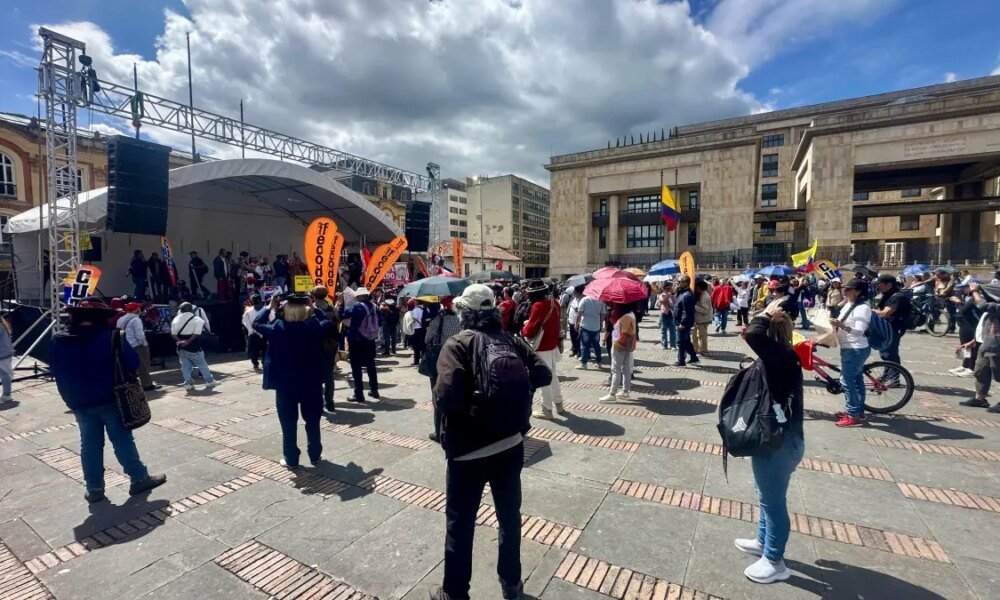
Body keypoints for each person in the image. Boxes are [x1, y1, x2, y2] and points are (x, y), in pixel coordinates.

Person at [430, 284, 551, 600]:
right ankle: (512, 585)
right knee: (509, 518)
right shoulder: (511, 340)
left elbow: (445, 395)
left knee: (461, 522)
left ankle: (454, 593)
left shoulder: (457, 344)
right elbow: (543, 375)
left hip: (468, 452)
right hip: (510, 444)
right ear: (494, 311)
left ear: (464, 313)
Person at [50, 301, 167, 503]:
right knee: (122, 440)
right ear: (102, 317)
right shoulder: (112, 337)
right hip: (112, 398)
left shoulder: (59, 341)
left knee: (89, 444)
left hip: (78, 402)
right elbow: (133, 363)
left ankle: (94, 488)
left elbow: (55, 370)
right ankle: (139, 478)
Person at [735, 299, 804, 584]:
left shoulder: (782, 358)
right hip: (775, 439)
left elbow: (751, 334)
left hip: (780, 443)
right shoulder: (780, 356)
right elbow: (751, 335)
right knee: (765, 495)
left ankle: (775, 561)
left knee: (773, 503)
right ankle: (763, 541)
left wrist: (763, 314)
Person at [253, 294, 333, 467]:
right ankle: (315, 455)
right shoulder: (313, 326)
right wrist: (314, 307)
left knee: (288, 424)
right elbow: (328, 321)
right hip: (311, 383)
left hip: (285, 384)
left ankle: (291, 458)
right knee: (313, 421)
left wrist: (270, 307)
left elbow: (256, 324)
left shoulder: (278, 327)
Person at [830, 279, 871, 427]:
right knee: (857, 380)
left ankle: (852, 415)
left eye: (848, 289)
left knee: (847, 381)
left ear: (858, 291)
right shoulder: (848, 304)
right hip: (849, 347)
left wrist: (841, 325)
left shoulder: (863, 308)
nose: (844, 291)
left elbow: (860, 331)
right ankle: (857, 411)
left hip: (855, 348)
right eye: (844, 288)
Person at [523, 280, 564, 420]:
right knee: (553, 375)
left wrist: (524, 328)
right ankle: (559, 403)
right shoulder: (555, 303)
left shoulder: (538, 306)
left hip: (541, 346)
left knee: (544, 379)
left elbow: (530, 330)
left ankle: (546, 409)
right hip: (553, 344)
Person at [425, 296, 463, 442]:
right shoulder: (462, 321)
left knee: (438, 395)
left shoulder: (437, 321)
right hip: (457, 358)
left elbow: (427, 339)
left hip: (439, 359)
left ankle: (438, 431)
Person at [959, 282, 1000, 412]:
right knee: (980, 371)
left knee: (999, 373)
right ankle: (980, 398)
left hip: (996, 346)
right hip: (985, 344)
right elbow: (983, 327)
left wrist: (974, 291)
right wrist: (973, 341)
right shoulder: (990, 311)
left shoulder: (996, 307)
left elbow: (981, 305)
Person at [340, 287, 381, 402]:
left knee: (356, 367)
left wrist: (343, 303)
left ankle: (358, 394)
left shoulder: (357, 306)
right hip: (370, 339)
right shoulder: (375, 306)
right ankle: (374, 390)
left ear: (359, 296)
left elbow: (344, 315)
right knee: (371, 365)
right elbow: (380, 321)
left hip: (356, 340)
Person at [171, 302, 218, 391]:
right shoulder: (198, 320)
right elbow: (196, 333)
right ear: (191, 309)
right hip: (194, 345)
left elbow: (173, 334)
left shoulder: (175, 319)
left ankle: (188, 383)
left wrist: (181, 341)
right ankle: (209, 381)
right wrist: (188, 341)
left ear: (181, 310)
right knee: (201, 364)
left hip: (180, 346)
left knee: (185, 365)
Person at [873, 274, 912, 376]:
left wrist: (869, 310)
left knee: (890, 353)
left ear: (889, 284)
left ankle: (894, 378)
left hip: (894, 327)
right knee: (885, 353)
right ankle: (887, 375)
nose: (878, 287)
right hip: (887, 327)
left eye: (880, 284)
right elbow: (880, 309)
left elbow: (885, 313)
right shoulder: (888, 295)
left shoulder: (897, 296)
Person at [117, 302, 160, 392]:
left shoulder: (121, 319)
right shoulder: (136, 320)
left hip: (126, 346)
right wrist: (145, 344)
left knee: (130, 367)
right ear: (137, 310)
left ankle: (132, 385)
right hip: (138, 346)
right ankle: (147, 385)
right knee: (144, 367)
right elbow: (140, 335)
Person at [600, 302, 637, 403]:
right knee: (626, 369)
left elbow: (623, 333)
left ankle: (612, 393)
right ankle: (625, 391)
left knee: (615, 369)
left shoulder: (623, 317)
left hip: (619, 345)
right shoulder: (631, 314)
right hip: (628, 345)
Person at [951, 278, 980, 378]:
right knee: (966, 347)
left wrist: (958, 302)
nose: (962, 289)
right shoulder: (968, 297)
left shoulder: (975, 298)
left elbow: (963, 310)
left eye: (964, 287)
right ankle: (965, 365)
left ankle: (971, 368)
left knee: (972, 348)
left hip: (972, 325)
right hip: (965, 324)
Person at [575, 291, 606, 369]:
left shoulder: (584, 299)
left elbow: (579, 313)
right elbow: (603, 314)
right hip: (596, 327)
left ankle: (584, 363)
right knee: (596, 345)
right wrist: (601, 324)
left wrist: (576, 324)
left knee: (585, 345)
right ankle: (599, 362)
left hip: (585, 326)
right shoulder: (600, 300)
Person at [673, 276, 699, 366]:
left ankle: (681, 360)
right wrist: (678, 290)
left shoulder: (687, 295)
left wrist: (682, 323)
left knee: (680, 341)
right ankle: (694, 357)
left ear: (685, 283)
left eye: (679, 282)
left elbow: (686, 311)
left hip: (683, 323)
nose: (678, 283)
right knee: (686, 341)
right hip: (680, 321)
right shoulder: (682, 293)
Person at [242, 295, 267, 371]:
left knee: (264, 349)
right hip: (254, 333)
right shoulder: (249, 311)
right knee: (255, 350)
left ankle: (262, 363)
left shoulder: (265, 310)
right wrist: (250, 330)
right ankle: (256, 363)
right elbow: (245, 321)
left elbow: (271, 319)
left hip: (263, 332)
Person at [693, 279, 712, 355]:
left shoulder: (705, 297)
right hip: (698, 319)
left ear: (699, 288)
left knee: (702, 336)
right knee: (696, 335)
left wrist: (694, 307)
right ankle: (696, 349)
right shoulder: (701, 295)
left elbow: (705, 310)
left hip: (703, 319)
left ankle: (704, 350)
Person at [656, 283, 677, 349]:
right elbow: (663, 300)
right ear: (664, 289)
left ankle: (673, 345)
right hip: (664, 313)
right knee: (663, 330)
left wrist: (672, 295)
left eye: (670, 288)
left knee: (672, 330)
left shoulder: (672, 295)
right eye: (667, 288)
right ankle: (664, 344)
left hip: (671, 314)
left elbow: (675, 303)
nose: (669, 289)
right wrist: (668, 295)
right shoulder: (661, 295)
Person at [409, 299, 429, 366]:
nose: (413, 302)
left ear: (417, 301)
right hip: (423, 329)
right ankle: (424, 362)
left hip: (417, 329)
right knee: (423, 346)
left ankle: (416, 362)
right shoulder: (425, 309)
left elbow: (414, 319)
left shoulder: (416, 309)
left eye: (414, 301)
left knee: (416, 347)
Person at [0, 315, 14, 402]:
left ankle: (7, 394)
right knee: (4, 374)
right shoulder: (2, 324)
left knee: (4, 374)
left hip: (3, 354)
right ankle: (6, 394)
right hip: (5, 353)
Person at [567, 287, 583, 357]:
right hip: (571, 320)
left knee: (578, 338)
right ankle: (574, 350)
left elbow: (580, 311)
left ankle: (579, 351)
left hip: (578, 321)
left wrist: (578, 310)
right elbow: (571, 307)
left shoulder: (582, 299)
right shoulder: (574, 299)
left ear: (579, 293)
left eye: (575, 292)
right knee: (572, 337)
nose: (574, 293)